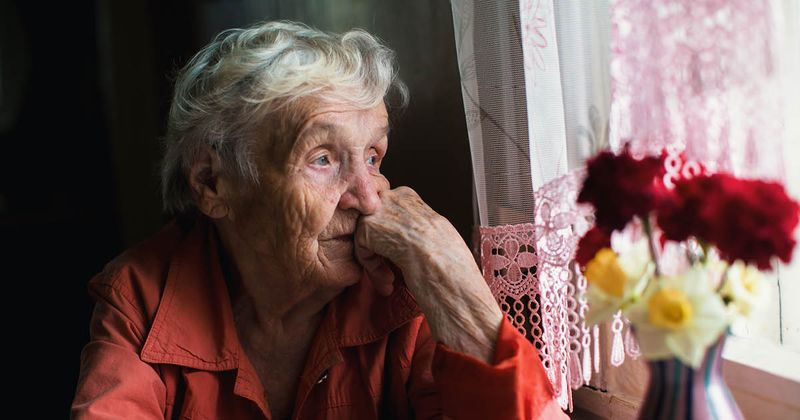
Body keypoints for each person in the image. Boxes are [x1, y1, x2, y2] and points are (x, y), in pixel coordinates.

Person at [71, 21, 565, 419]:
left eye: (372, 156)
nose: (369, 198)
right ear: (212, 184)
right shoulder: (141, 298)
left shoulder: (402, 294)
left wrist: (449, 275)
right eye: (323, 159)